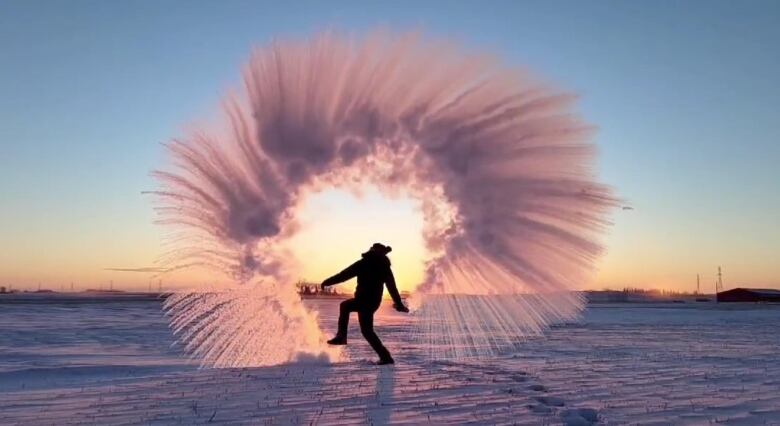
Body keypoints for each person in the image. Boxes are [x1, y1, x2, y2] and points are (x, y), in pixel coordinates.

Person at [320, 242, 409, 365]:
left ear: (372, 250)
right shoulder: (384, 267)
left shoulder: (364, 263)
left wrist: (327, 282)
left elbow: (344, 275)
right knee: (367, 331)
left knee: (345, 306)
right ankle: (386, 357)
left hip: (363, 300)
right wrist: (398, 304)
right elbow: (391, 287)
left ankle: (341, 336)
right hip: (373, 302)